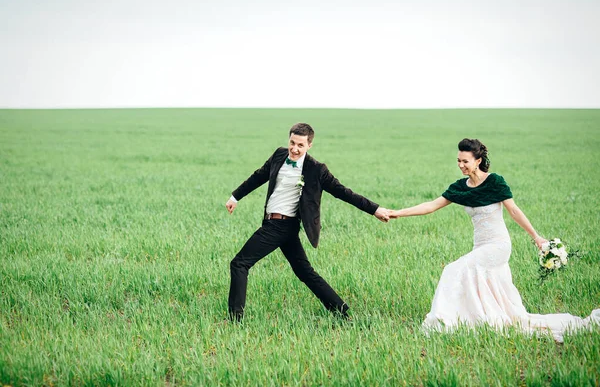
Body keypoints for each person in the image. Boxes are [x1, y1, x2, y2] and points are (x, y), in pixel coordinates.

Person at [389, 138, 599, 342]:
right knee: (480, 285)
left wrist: (536, 237)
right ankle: (478, 321)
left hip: (498, 245)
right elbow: (431, 206)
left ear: (478, 161)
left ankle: (441, 322)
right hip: (479, 245)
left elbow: (514, 211)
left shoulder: (495, 182)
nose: (461, 165)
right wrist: (398, 212)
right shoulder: (460, 187)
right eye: (458, 161)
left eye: (465, 161)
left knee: (452, 270)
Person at [225, 123, 390, 321]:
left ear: (309, 145)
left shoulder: (317, 169)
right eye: (292, 143)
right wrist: (235, 197)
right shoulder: (279, 155)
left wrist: (374, 209)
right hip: (278, 225)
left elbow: (344, 192)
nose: (294, 149)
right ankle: (342, 312)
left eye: (300, 145)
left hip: (280, 226)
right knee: (305, 272)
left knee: (239, 264)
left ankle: (235, 320)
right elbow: (258, 176)